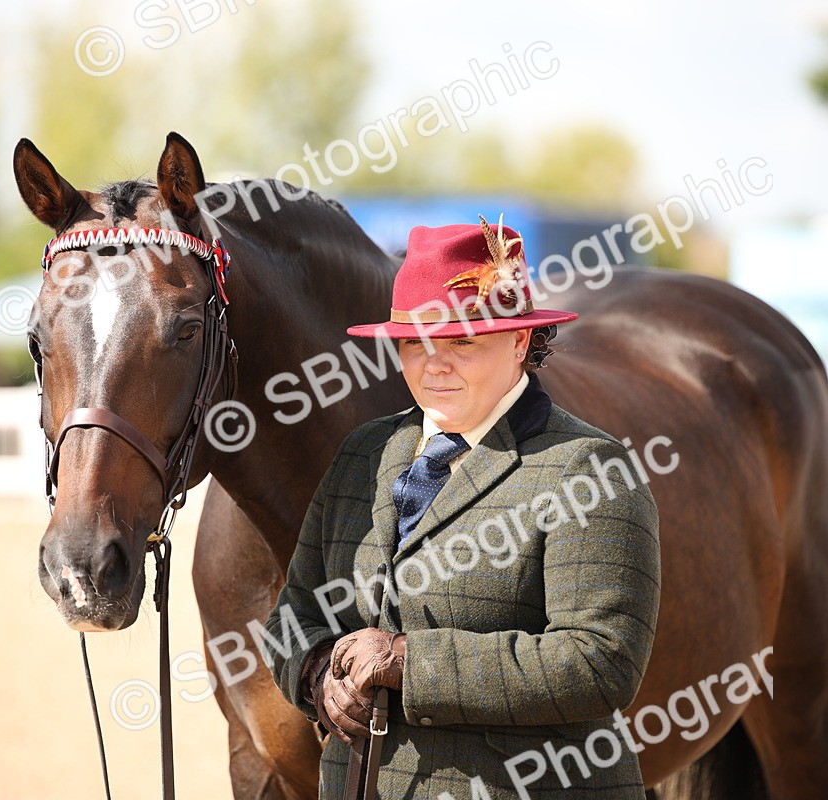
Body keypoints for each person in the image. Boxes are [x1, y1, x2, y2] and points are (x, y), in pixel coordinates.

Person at [263, 218, 660, 798]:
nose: (434, 365)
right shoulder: (363, 453)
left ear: (520, 341)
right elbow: (294, 612)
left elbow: (599, 662)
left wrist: (404, 661)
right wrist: (319, 671)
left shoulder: (590, 469)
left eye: (463, 341)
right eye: (415, 343)